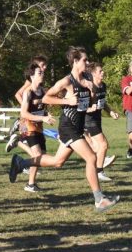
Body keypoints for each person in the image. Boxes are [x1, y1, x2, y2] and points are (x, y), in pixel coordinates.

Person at [8, 47, 119, 212]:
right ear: (75, 62)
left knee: (57, 161)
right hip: (68, 127)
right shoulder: (66, 81)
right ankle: (99, 199)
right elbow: (46, 97)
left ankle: (20, 162)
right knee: (91, 158)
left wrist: (93, 93)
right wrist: (67, 101)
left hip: (78, 127)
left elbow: (87, 104)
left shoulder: (87, 80)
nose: (87, 63)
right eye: (84, 60)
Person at [14, 61, 56, 194]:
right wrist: (43, 118)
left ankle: (31, 184)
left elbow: (41, 108)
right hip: (27, 126)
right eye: (39, 73)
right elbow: (24, 113)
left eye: (43, 72)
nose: (42, 74)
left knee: (40, 157)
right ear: (31, 76)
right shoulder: (28, 92)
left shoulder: (43, 91)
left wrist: (46, 115)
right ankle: (19, 163)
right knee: (37, 155)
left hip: (38, 127)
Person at [83, 61, 120, 181]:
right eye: (100, 71)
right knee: (103, 145)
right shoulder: (89, 87)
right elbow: (80, 106)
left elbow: (103, 103)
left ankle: (96, 166)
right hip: (88, 120)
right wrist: (89, 109)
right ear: (93, 74)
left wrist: (110, 112)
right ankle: (99, 171)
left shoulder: (103, 85)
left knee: (96, 147)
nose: (103, 72)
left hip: (97, 119)